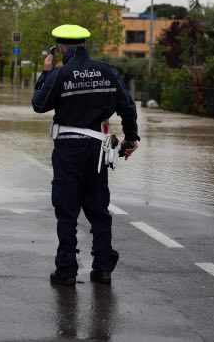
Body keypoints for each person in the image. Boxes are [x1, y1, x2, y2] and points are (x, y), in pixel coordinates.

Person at [32, 24, 139, 286]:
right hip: (97, 151)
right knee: (98, 209)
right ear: (84, 44)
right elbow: (127, 105)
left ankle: (66, 270)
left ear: (60, 48)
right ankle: (102, 269)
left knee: (66, 211)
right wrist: (131, 138)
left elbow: (39, 104)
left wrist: (45, 74)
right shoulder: (107, 71)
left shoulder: (60, 74)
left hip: (68, 150)